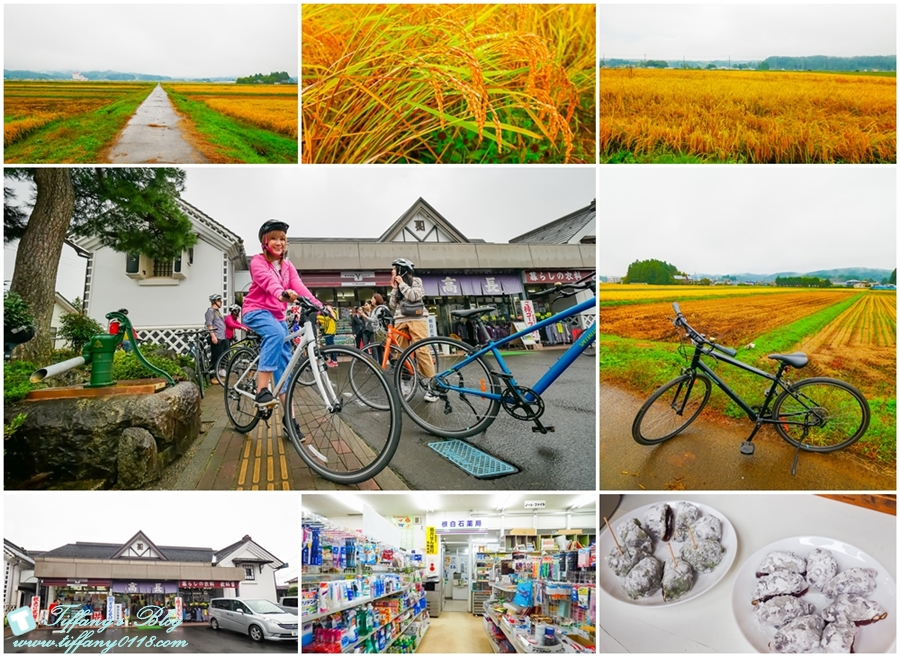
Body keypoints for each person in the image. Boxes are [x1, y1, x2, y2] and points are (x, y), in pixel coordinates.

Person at [241, 219, 321, 437]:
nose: (279, 242)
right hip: (255, 311)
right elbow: (268, 282)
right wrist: (281, 294)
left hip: (276, 315)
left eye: (282, 239)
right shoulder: (257, 262)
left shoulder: (288, 267)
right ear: (265, 242)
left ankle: (289, 420)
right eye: (274, 238)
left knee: (284, 365)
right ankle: (262, 390)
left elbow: (300, 287)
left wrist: (320, 306)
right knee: (276, 334)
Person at [388, 258, 437, 402]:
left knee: (421, 350)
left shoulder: (416, 281)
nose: (391, 272)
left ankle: (432, 386)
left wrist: (402, 284)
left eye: (394, 269)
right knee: (400, 353)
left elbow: (414, 296)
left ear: (401, 270)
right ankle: (405, 382)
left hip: (417, 318)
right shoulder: (396, 285)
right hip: (400, 320)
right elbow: (392, 305)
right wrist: (395, 288)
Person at [205, 293, 227, 384]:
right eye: (219, 300)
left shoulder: (217, 312)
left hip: (222, 337)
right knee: (215, 358)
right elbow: (209, 325)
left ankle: (218, 375)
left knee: (221, 356)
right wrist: (213, 336)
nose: (220, 302)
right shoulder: (210, 311)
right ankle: (212, 376)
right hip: (216, 337)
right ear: (214, 302)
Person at [317, 302, 338, 366]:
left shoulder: (333, 312)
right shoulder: (326, 314)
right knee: (329, 347)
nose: (326, 307)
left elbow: (333, 318)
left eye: (327, 306)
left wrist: (317, 316)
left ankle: (334, 361)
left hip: (330, 332)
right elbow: (324, 320)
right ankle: (332, 360)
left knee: (331, 347)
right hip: (327, 332)